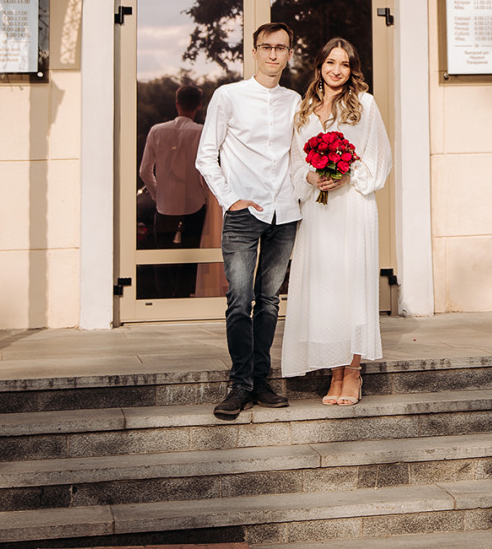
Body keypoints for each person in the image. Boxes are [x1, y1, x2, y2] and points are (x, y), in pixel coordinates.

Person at [195, 22, 302, 419]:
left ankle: (260, 379)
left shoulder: (295, 101)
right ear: (255, 52)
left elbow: (299, 158)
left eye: (282, 48)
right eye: (267, 47)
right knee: (240, 301)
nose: (274, 54)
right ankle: (240, 384)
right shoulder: (229, 96)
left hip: (286, 213)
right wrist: (229, 200)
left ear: (289, 54)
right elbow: (206, 155)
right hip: (245, 213)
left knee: (270, 302)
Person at [280, 37, 391, 406]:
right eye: (330, 62)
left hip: (352, 208)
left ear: (352, 68)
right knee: (325, 293)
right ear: (319, 66)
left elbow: (379, 157)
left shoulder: (366, 105)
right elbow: (295, 161)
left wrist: (349, 174)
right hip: (318, 210)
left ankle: (353, 372)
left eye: (343, 64)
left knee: (352, 289)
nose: (336, 70)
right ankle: (335, 372)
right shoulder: (304, 108)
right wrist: (311, 178)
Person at [138, 84, 209, 299]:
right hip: (195, 205)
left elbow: (144, 171)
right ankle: (182, 296)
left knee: (163, 256)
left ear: (176, 104)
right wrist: (205, 195)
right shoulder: (201, 132)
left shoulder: (157, 131)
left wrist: (159, 194)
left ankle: (164, 298)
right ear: (199, 105)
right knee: (190, 255)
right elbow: (205, 171)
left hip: (165, 206)